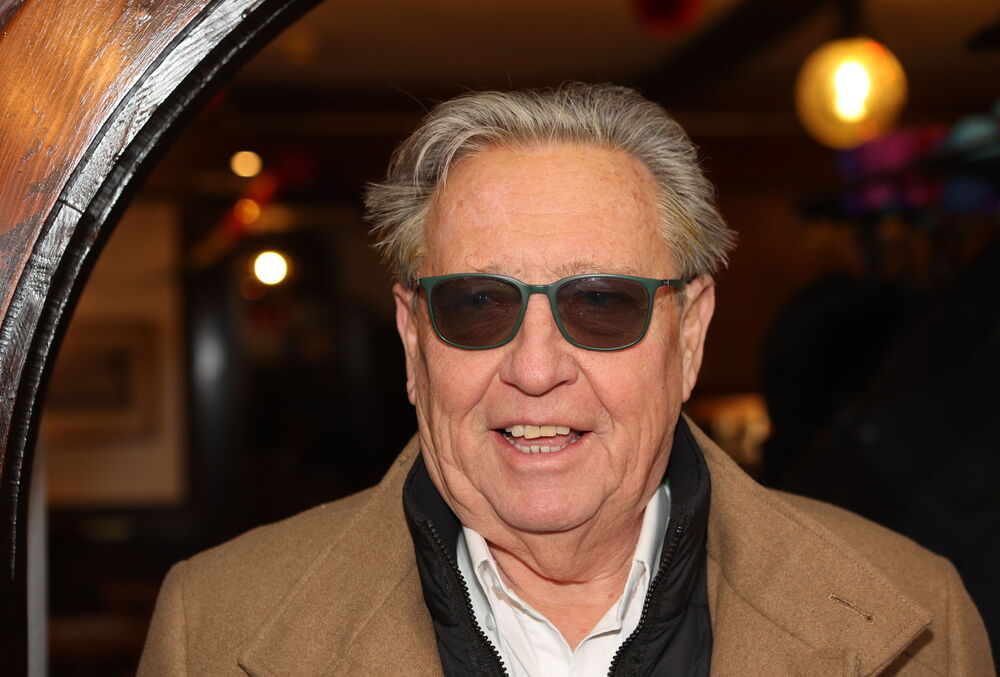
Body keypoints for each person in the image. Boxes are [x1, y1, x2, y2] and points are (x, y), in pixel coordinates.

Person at [137, 83, 994, 676]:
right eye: (478, 304)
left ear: (690, 334)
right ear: (412, 339)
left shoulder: (918, 615)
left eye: (601, 304)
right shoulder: (211, 626)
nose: (536, 368)